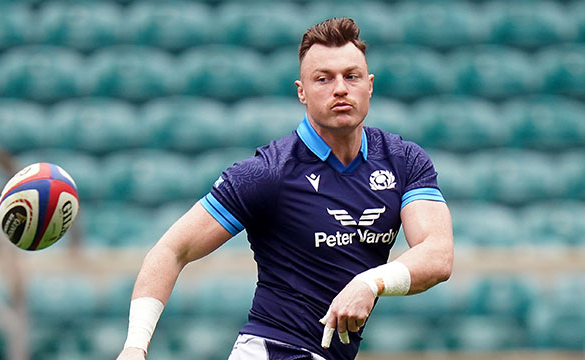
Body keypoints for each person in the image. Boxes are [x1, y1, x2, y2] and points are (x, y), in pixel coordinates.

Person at [116, 17, 453, 360]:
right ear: (301, 92)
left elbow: (437, 255)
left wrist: (370, 282)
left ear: (369, 85)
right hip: (274, 349)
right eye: (323, 79)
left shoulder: (403, 160)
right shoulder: (268, 172)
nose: (339, 88)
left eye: (350, 76)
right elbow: (172, 250)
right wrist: (135, 346)